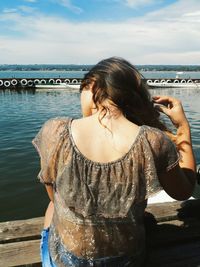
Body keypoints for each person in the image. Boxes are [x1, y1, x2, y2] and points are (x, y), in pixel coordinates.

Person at [32, 57, 196, 267]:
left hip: (68, 261)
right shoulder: (153, 140)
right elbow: (183, 191)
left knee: (52, 206)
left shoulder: (55, 131)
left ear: (92, 86)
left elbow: (54, 197)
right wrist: (182, 127)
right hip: (128, 260)